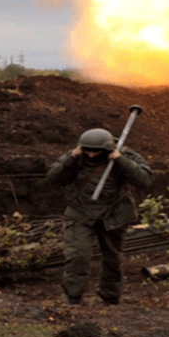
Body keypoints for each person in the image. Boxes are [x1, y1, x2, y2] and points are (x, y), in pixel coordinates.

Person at [46, 128, 154, 306]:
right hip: (81, 213)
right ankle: (73, 298)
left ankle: (110, 298)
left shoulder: (125, 154)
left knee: (113, 258)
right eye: (87, 150)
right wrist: (70, 158)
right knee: (77, 256)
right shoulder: (77, 156)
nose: (90, 154)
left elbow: (145, 180)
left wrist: (121, 160)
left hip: (114, 213)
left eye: (95, 151)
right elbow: (53, 179)